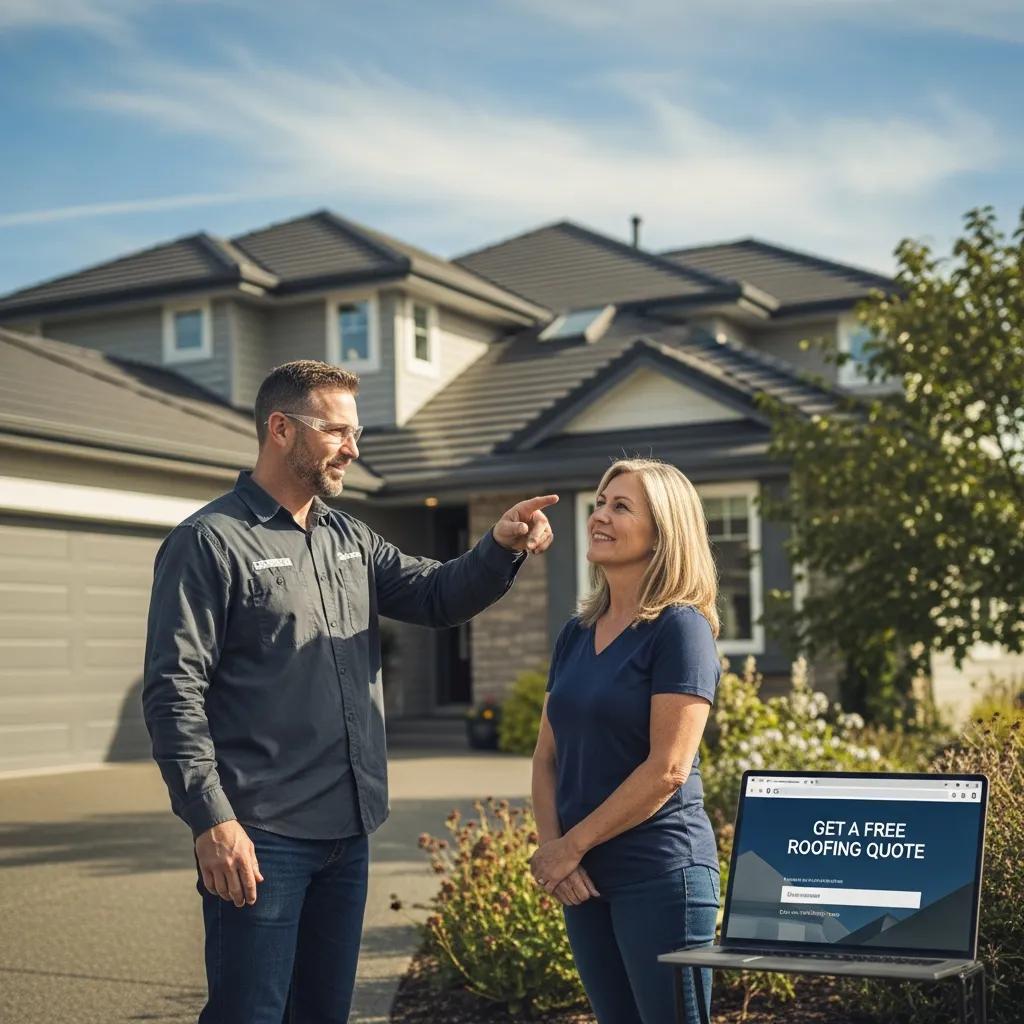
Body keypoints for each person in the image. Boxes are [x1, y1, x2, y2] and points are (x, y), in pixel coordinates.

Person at [142, 359, 557, 1024]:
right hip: (260, 834)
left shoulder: (347, 537)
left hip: (348, 831)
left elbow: (436, 593)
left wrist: (499, 546)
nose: (353, 449)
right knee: (250, 1013)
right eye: (337, 431)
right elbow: (173, 694)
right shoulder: (209, 542)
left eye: (354, 432)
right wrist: (212, 819)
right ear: (281, 429)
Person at [529, 458, 721, 1024]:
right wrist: (555, 852)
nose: (599, 516)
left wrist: (571, 847)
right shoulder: (576, 632)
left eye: (621, 506)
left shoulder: (679, 629)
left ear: (664, 531)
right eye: (599, 503)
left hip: (660, 874)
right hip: (582, 880)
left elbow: (668, 769)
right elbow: (547, 754)